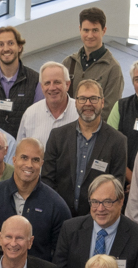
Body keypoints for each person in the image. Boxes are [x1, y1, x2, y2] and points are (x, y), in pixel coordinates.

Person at [41, 79, 127, 219]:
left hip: (97, 219)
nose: (88, 104)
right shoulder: (58, 136)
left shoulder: (117, 141)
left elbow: (116, 188)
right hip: (58, 216)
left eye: (93, 98)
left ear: (102, 102)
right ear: (76, 103)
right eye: (82, 99)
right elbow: (47, 179)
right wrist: (58, 209)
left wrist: (94, 215)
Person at [53, 175, 138, 268]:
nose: (100, 208)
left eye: (107, 202)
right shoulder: (70, 229)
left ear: (121, 201)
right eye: (95, 202)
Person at [0, 138, 71, 260]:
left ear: (42, 164)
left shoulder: (57, 206)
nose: (29, 165)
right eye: (24, 158)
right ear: (14, 160)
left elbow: (61, 254)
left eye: (35, 160)